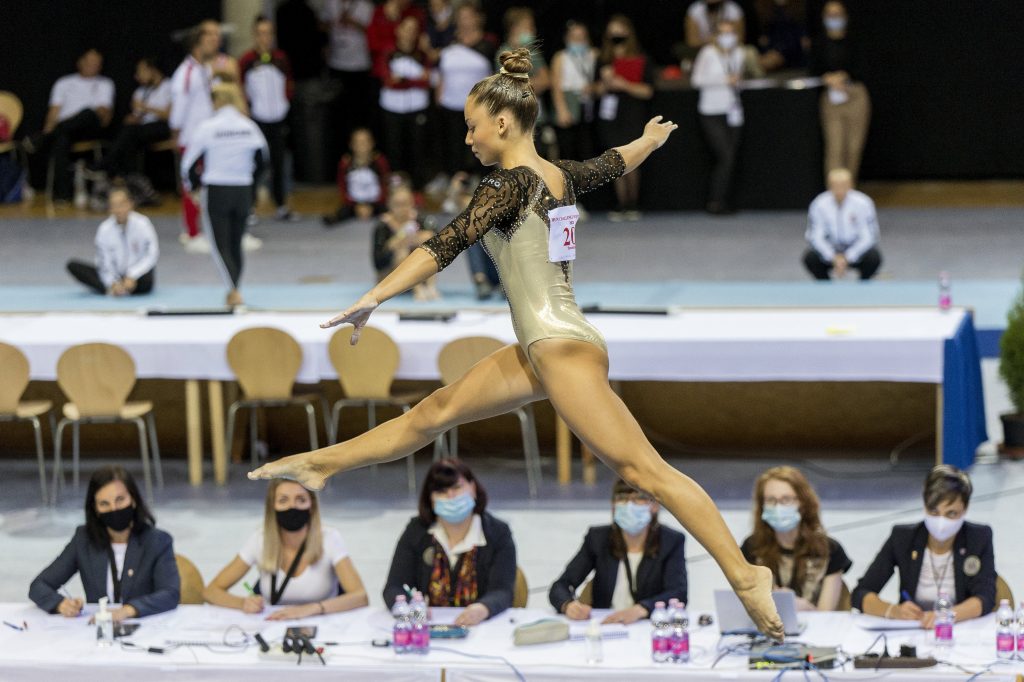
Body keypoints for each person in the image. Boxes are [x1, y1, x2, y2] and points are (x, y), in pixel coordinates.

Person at [249, 46, 785, 641]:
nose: (469, 138)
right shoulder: (560, 174)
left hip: (559, 345)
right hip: (544, 346)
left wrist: (375, 296)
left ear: (501, 123)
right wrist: (650, 142)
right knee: (434, 412)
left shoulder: (507, 186)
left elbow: (442, 245)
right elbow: (614, 162)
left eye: (472, 126)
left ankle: (744, 572)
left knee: (645, 471)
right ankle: (324, 464)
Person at [29, 465, 179, 621]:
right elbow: (39, 585)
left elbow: (170, 594)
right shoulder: (84, 539)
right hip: (96, 632)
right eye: (104, 504)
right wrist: (61, 604)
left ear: (133, 500)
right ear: (95, 509)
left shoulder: (157, 541)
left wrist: (127, 611)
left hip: (145, 628)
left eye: (120, 500)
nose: (114, 509)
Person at [852, 466, 996, 627]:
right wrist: (893, 611)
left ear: (965, 509)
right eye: (934, 512)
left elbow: (986, 597)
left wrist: (947, 616)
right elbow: (861, 594)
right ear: (924, 505)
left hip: (958, 630)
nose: (941, 521)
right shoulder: (903, 538)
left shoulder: (978, 538)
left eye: (951, 513)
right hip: (912, 631)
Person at [203, 480, 368, 619]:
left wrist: (313, 608)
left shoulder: (330, 538)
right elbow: (211, 591)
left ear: (312, 506)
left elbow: (360, 596)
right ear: (272, 507)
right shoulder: (260, 539)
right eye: (283, 500)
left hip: (321, 624)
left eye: (301, 500)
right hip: (273, 625)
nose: (292, 507)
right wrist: (242, 603)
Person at [381, 459, 516, 626]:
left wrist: (483, 608)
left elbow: (503, 591)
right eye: (442, 491)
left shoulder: (498, 533)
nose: (451, 496)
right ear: (430, 498)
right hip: (428, 627)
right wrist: (411, 607)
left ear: (473, 488)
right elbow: (394, 586)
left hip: (481, 627)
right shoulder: (416, 532)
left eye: (457, 488)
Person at [549, 479, 688, 624]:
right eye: (622, 498)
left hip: (648, 626)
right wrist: (568, 605)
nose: (629, 505)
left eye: (639, 498)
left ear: (654, 505)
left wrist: (641, 609)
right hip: (606, 625)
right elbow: (560, 586)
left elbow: (678, 593)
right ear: (613, 505)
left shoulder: (671, 541)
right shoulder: (598, 538)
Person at [181, 84, 268, 308]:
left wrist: (193, 187)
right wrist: (252, 184)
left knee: (220, 246)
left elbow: (188, 163)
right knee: (235, 243)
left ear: (216, 102)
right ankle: (235, 290)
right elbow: (263, 160)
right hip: (243, 190)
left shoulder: (208, 127)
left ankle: (234, 291)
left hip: (218, 189)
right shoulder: (249, 127)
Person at [741, 466, 852, 611]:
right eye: (770, 500)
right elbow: (746, 604)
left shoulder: (829, 550)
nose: (778, 507)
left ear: (803, 504)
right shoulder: (752, 547)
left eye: (786, 499)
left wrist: (802, 607)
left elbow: (827, 616)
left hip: (816, 630)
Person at [23, 49, 114, 204]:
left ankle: (42, 139)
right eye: (90, 62)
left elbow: (104, 113)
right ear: (80, 62)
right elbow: (54, 112)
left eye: (97, 64)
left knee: (87, 113)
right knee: (61, 140)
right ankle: (62, 195)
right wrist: (49, 129)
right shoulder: (64, 83)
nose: (93, 66)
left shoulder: (105, 84)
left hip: (90, 128)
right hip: (65, 130)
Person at [691, 19, 757, 215]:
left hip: (733, 110)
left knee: (731, 157)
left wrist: (738, 81)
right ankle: (715, 201)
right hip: (711, 111)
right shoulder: (707, 53)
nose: (727, 37)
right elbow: (696, 80)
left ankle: (725, 199)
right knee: (725, 156)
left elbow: (743, 79)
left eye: (730, 32)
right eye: (722, 33)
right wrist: (723, 80)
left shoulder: (740, 53)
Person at [169, 20, 220, 252]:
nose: (214, 44)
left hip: (208, 139)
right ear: (197, 46)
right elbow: (178, 110)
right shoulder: (185, 73)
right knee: (192, 187)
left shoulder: (207, 70)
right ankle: (191, 233)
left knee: (207, 186)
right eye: (208, 40)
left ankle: (204, 229)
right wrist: (177, 135)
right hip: (191, 140)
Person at [240, 16, 297, 221]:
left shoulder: (281, 58)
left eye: (268, 33)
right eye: (261, 33)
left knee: (280, 162)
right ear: (254, 35)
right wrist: (247, 110)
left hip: (278, 118)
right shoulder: (246, 60)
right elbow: (241, 89)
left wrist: (285, 104)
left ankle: (281, 205)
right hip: (257, 119)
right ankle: (250, 206)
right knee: (256, 164)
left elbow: (288, 84)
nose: (265, 38)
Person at [809, 1, 870, 181]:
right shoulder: (819, 43)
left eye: (838, 14)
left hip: (855, 96)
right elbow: (813, 69)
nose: (834, 18)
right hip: (831, 98)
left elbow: (864, 68)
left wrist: (845, 76)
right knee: (835, 147)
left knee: (854, 147)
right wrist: (827, 78)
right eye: (830, 14)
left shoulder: (855, 40)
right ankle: (834, 195)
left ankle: (848, 193)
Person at [435, 4, 496, 177]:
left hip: (478, 107)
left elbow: (494, 74)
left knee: (480, 145)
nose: (465, 21)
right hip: (450, 104)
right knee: (451, 146)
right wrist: (438, 94)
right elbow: (441, 70)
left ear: (477, 18)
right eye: (461, 17)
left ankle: (482, 182)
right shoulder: (449, 41)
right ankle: (452, 180)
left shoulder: (488, 43)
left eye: (468, 16)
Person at [97, 57, 172, 196]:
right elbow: (137, 116)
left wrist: (145, 107)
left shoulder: (170, 86)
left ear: (152, 70)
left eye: (140, 71)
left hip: (164, 127)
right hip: (142, 129)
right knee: (128, 136)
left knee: (130, 135)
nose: (137, 76)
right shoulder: (140, 92)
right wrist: (132, 118)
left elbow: (169, 115)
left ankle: (107, 166)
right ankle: (135, 187)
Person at [66, 188, 158, 296]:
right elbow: (103, 261)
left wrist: (133, 274)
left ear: (130, 204)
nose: (118, 209)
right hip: (115, 273)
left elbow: (151, 254)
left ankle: (117, 290)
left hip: (136, 274)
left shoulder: (143, 224)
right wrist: (112, 282)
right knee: (73, 266)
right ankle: (114, 289)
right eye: (114, 205)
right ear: (110, 208)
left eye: (121, 204)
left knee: (147, 282)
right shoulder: (104, 229)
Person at [379, 16, 432, 188]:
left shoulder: (422, 54)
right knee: (394, 147)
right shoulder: (388, 52)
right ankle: (395, 185)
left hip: (417, 107)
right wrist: (415, 79)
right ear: (398, 30)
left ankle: (417, 188)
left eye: (413, 30)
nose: (409, 33)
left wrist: (403, 79)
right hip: (392, 106)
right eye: (406, 28)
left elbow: (428, 81)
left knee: (417, 149)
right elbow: (388, 81)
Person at [802, 167, 881, 280]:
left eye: (843, 185)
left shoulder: (863, 203)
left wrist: (848, 257)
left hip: (854, 248)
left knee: (873, 258)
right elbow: (815, 236)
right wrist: (832, 256)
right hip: (831, 249)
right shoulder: (819, 204)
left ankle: (863, 286)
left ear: (850, 184)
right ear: (829, 185)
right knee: (811, 258)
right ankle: (825, 287)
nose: (839, 189)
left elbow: (868, 236)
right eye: (835, 185)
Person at [320, 0, 376, 146]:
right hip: (337, 64)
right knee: (338, 114)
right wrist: (333, 22)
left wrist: (355, 23)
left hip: (359, 66)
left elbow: (374, 33)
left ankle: (361, 148)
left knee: (359, 113)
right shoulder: (331, 4)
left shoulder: (366, 6)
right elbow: (320, 26)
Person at [440, 171, 499, 300]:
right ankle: (481, 281)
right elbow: (452, 205)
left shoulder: (505, 206)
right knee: (473, 234)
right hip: (488, 271)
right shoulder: (477, 209)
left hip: (506, 270)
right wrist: (455, 189)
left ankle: (504, 283)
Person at [373, 185, 438, 300]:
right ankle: (417, 290)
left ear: (412, 203)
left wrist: (413, 238)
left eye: (406, 203)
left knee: (427, 241)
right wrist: (395, 243)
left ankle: (430, 286)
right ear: (390, 205)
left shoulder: (420, 220)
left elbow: (439, 243)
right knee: (401, 250)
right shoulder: (383, 225)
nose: (403, 208)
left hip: (419, 272)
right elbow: (378, 262)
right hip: (390, 274)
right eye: (398, 204)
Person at [322, 127, 391, 226]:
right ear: (351, 145)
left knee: (388, 212)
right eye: (358, 142)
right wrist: (356, 205)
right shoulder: (345, 163)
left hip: (376, 203)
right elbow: (342, 187)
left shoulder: (380, 161)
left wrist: (372, 205)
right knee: (342, 213)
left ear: (372, 143)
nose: (362, 145)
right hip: (353, 204)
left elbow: (385, 184)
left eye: (365, 142)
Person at [551, 21, 598, 164]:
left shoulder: (593, 54)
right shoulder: (560, 57)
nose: (578, 41)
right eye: (574, 37)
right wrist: (561, 110)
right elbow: (556, 86)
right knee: (567, 152)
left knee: (587, 151)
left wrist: (593, 88)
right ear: (567, 39)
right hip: (569, 105)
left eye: (581, 37)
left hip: (587, 107)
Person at [755, 0, 809, 72]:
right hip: (771, 48)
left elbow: (800, 35)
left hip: (793, 47)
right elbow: (764, 35)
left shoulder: (799, 5)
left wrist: (779, 53)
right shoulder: (763, 5)